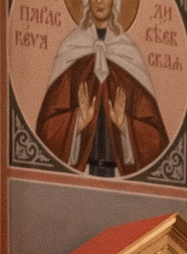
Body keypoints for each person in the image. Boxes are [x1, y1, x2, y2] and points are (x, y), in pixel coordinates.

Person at [34, 0, 169, 178]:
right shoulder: (71, 51)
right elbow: (45, 130)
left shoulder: (129, 55)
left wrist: (125, 125)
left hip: (119, 175)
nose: (99, 1)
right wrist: (77, 122)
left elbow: (157, 139)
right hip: (81, 174)